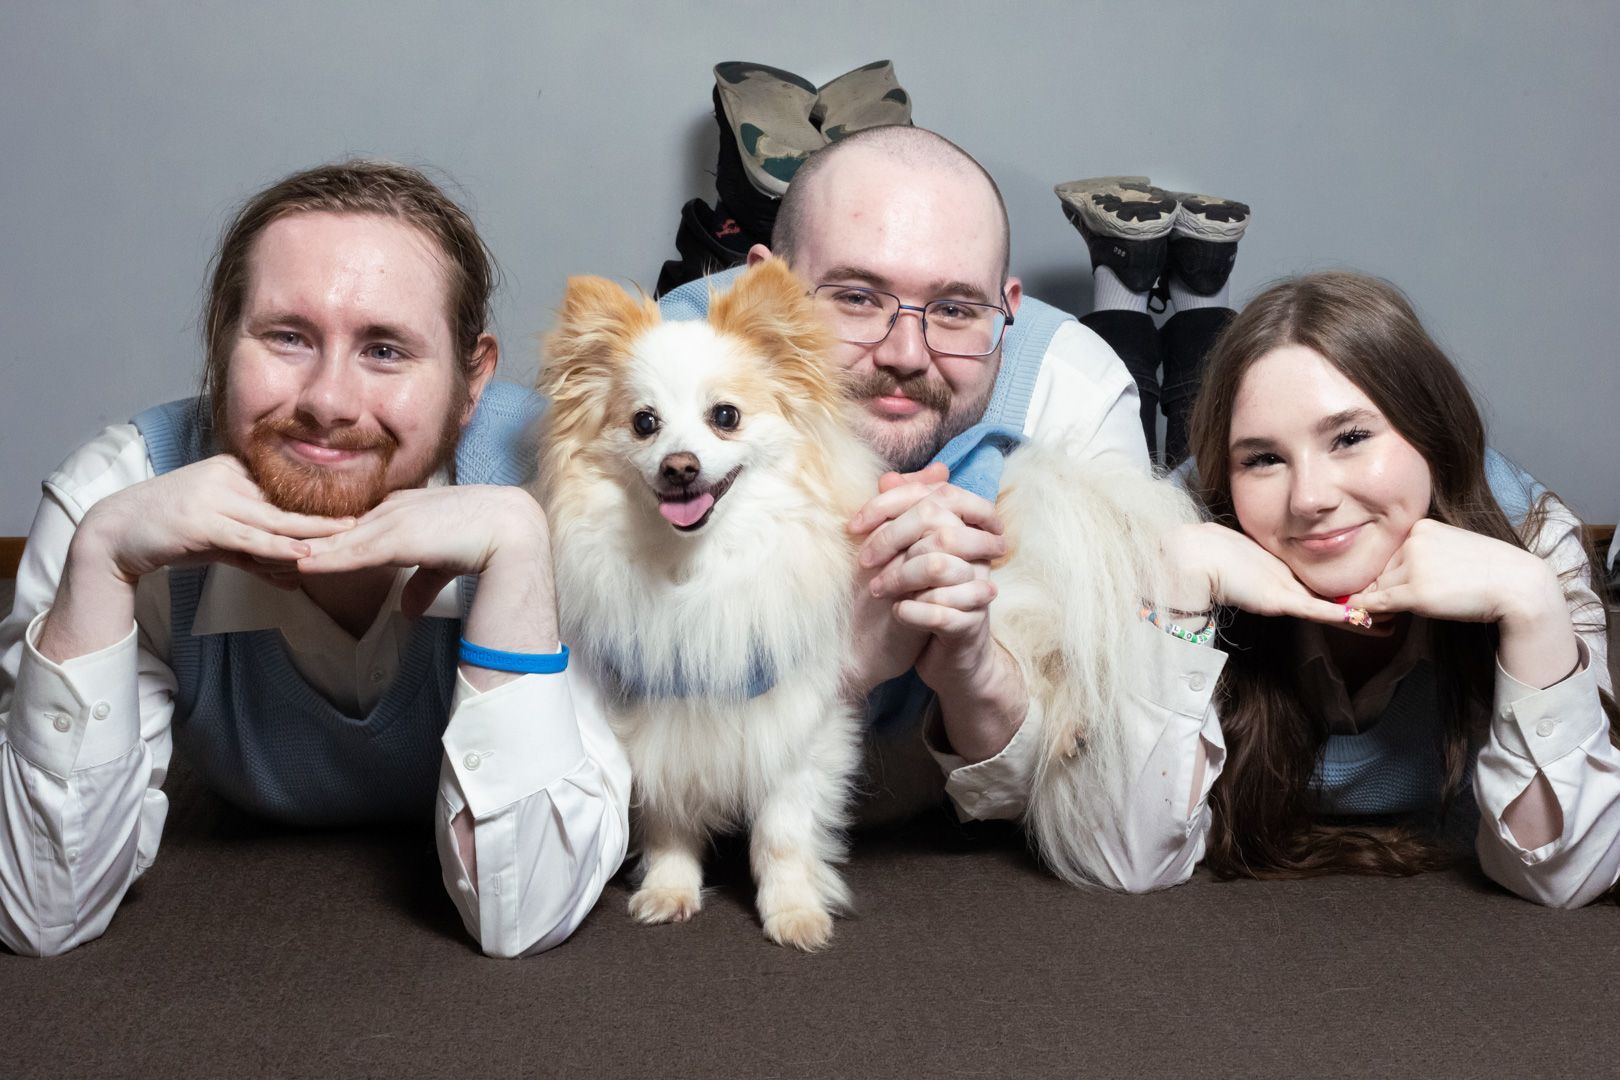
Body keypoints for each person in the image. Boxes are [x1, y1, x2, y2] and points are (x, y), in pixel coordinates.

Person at [0, 161, 630, 957]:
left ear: (472, 382)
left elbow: (524, 913)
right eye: (287, 338)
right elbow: (42, 912)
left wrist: (517, 549)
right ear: (221, 343)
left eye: (386, 350)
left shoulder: (563, 489)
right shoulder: (113, 499)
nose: (328, 402)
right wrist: (100, 561)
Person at [657, 124, 1169, 868]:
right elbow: (624, 780)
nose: (905, 354)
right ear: (764, 288)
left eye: (955, 309)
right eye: (857, 298)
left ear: (1007, 309)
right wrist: (844, 665)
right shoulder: (662, 382)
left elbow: (1121, 823)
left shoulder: (1073, 390)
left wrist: (977, 673)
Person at [1126, 270, 1619, 905]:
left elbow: (1563, 877)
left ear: (1432, 432)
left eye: (1351, 438)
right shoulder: (1181, 535)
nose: (1310, 499)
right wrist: (1177, 591)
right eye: (1264, 458)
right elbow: (1136, 857)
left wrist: (1532, 606)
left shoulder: (1534, 539)